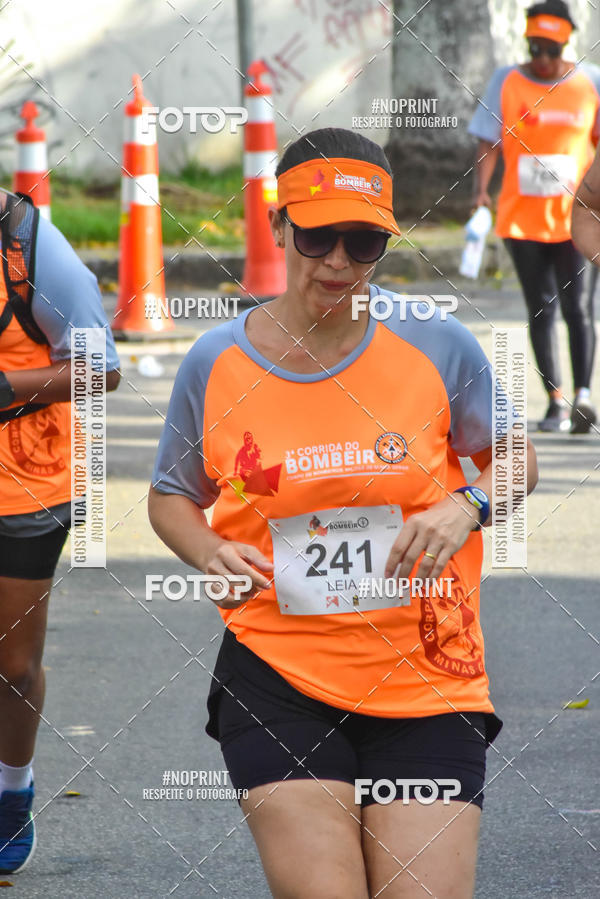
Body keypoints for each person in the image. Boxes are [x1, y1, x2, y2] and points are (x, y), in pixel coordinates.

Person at [149, 127, 538, 898]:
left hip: (427, 676)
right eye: (318, 234)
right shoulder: (215, 361)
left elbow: (518, 455)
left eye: (363, 243)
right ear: (276, 225)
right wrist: (205, 552)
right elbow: (171, 495)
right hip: (277, 672)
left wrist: (470, 503)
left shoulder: (438, 342)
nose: (337, 262)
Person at [0, 193, 120, 873]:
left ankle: (11, 791)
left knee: (12, 665)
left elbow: (101, 367)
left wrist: (6, 381)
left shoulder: (30, 247)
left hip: (23, 479)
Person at [468, 0, 600, 434]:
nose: (542, 59)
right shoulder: (505, 81)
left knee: (579, 307)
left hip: (576, 219)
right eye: (534, 48)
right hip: (521, 220)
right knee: (541, 309)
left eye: (551, 49)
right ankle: (555, 401)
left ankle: (583, 397)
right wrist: (480, 193)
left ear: (566, 44)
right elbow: (488, 141)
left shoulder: (591, 82)